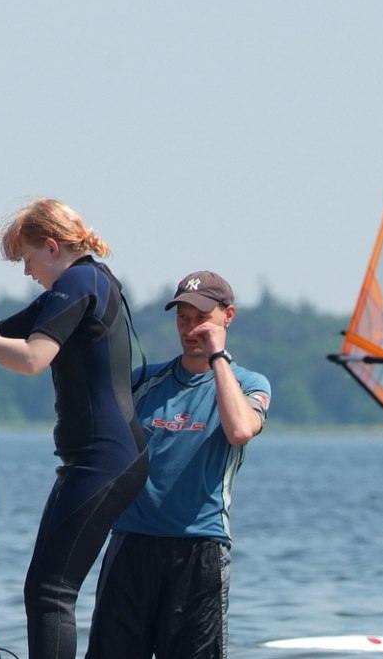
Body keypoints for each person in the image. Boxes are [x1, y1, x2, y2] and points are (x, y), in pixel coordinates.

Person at [0, 198, 148, 659]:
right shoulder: (81, 284)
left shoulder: (77, 282)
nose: (26, 272)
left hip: (106, 459)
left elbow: (32, 358)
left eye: (27, 259)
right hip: (99, 459)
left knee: (51, 591)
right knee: (46, 589)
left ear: (52, 247)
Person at [86, 271, 270, 659]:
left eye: (202, 318)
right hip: (132, 545)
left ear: (228, 316)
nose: (191, 329)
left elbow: (239, 430)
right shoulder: (144, 383)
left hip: (199, 550)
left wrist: (218, 356)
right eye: (183, 318)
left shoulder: (250, 384)